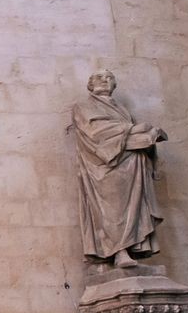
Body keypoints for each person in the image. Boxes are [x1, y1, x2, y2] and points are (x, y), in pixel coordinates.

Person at [72, 69, 168, 268]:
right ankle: (118, 252)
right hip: (105, 167)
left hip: (132, 164)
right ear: (90, 84)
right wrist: (133, 129)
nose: (105, 80)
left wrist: (148, 139)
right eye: (99, 77)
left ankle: (131, 249)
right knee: (112, 209)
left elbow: (125, 133)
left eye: (109, 78)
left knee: (133, 207)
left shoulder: (122, 109)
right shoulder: (83, 107)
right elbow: (96, 133)